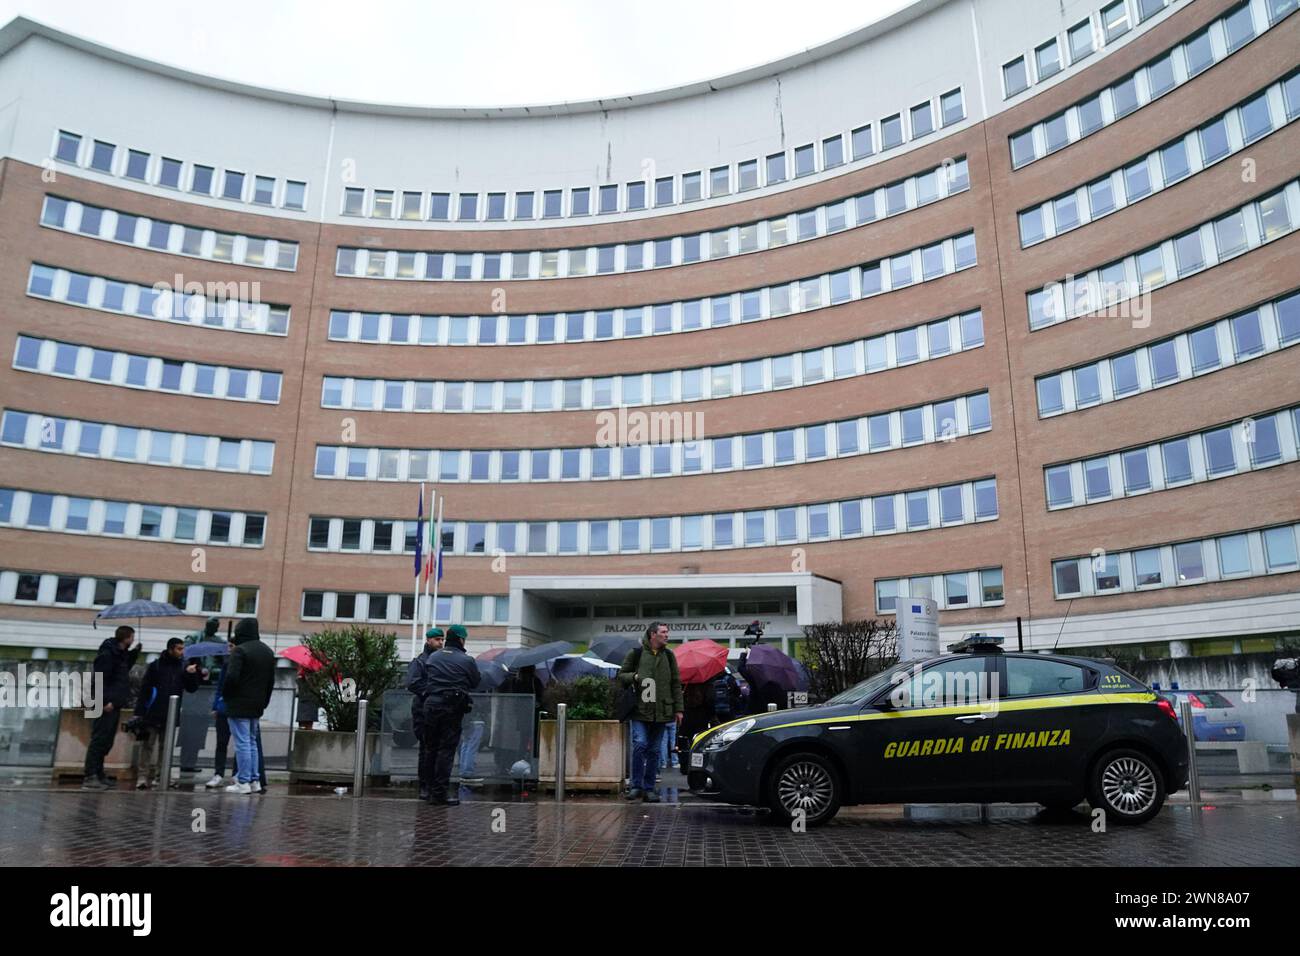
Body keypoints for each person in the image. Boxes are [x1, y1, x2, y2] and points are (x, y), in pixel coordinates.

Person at [618, 621, 684, 803]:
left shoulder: (669, 656)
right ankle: (636, 786)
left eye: (667, 632)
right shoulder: (637, 654)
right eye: (663, 632)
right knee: (640, 744)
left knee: (655, 750)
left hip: (662, 711)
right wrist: (635, 677)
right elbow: (621, 675)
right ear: (653, 635)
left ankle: (649, 788)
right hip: (640, 710)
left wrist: (679, 709)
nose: (667, 635)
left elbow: (676, 684)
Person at [418, 623, 480, 805]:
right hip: (451, 707)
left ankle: (428, 791)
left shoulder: (434, 657)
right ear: (461, 639)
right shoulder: (466, 660)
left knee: (430, 749)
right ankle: (439, 794)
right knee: (446, 750)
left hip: (430, 705)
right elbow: (475, 682)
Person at [133, 638, 201, 789]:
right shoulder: (156, 666)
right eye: (179, 649)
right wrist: (140, 712)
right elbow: (145, 689)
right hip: (152, 712)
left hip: (171, 714)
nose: (182, 652)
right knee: (147, 745)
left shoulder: (183, 666)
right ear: (170, 649)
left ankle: (161, 776)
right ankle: (142, 777)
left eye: (183, 649)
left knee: (166, 747)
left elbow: (192, 688)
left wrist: (191, 674)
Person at [220, 617, 275, 795]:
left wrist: (226, 696)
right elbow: (270, 682)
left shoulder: (240, 651)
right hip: (257, 704)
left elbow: (231, 678)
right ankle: (254, 780)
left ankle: (243, 781)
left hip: (238, 703)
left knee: (242, 743)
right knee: (251, 742)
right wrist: (264, 701)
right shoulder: (267, 651)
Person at [82, 625, 139, 790]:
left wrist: (134, 653)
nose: (133, 640)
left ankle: (99, 773)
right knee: (99, 739)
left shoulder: (119, 654)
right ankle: (91, 775)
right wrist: (104, 701)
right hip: (104, 704)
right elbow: (100, 679)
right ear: (127, 637)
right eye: (132, 637)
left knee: (106, 740)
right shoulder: (108, 654)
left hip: (113, 704)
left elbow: (122, 671)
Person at [405, 627, 444, 801]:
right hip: (423, 710)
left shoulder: (439, 660)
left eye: (442, 639)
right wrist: (431, 693)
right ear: (428, 641)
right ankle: (425, 785)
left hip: (436, 709)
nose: (440, 643)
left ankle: (433, 785)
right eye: (437, 639)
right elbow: (413, 683)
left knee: (436, 749)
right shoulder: (420, 661)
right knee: (426, 749)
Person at [178, 617, 220, 771]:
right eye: (211, 625)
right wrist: (197, 670)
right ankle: (185, 762)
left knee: (198, 731)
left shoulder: (218, 642)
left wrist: (212, 672)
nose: (213, 629)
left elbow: (223, 666)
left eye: (215, 626)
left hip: (206, 693)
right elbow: (185, 660)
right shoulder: (194, 639)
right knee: (188, 730)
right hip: (192, 692)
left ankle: (191, 762)